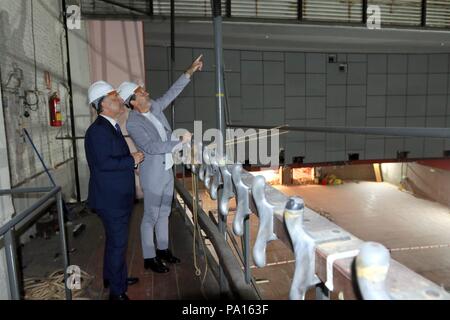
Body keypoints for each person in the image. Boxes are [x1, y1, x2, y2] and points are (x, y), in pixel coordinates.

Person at [118, 55, 203, 273]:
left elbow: (171, 93)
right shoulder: (133, 124)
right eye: (141, 92)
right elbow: (152, 147)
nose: (146, 92)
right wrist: (179, 142)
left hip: (166, 170)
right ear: (133, 102)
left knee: (165, 212)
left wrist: (189, 71)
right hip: (152, 175)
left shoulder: (154, 107)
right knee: (151, 216)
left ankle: (163, 249)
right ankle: (149, 256)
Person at [85, 80, 144, 300]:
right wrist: (132, 159)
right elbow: (104, 164)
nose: (120, 101)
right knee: (118, 243)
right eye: (114, 98)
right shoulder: (98, 131)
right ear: (102, 105)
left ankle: (112, 277)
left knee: (114, 241)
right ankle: (117, 293)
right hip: (111, 198)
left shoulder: (110, 126)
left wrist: (131, 162)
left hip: (116, 196)